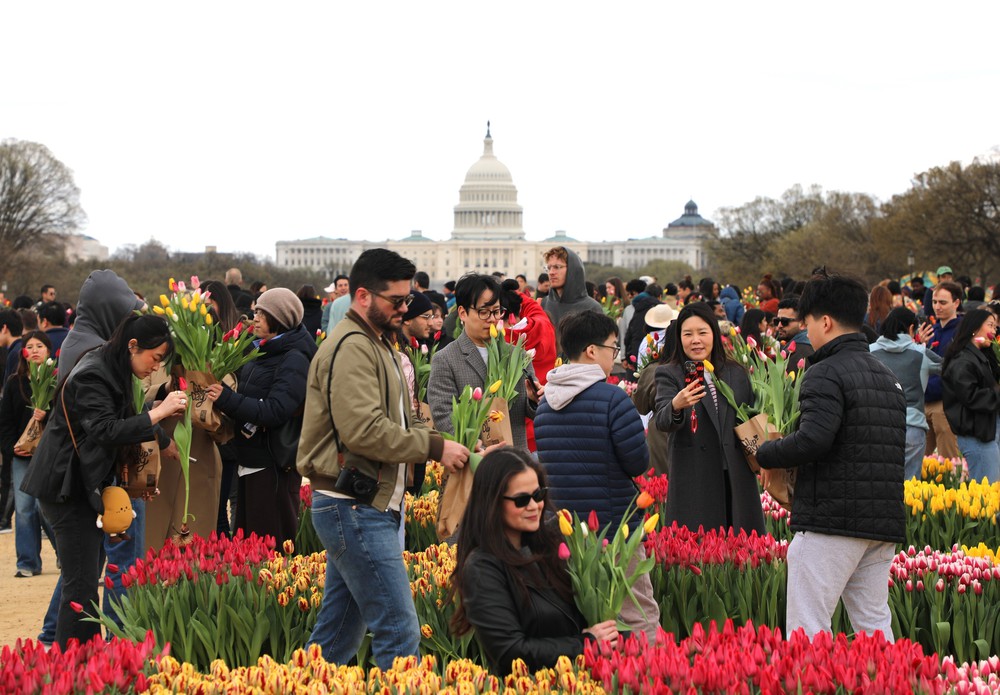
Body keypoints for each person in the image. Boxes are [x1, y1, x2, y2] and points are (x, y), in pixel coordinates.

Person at [297, 248, 469, 670]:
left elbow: (404, 420)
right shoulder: (355, 346)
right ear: (362, 296)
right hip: (353, 505)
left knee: (336, 639)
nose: (405, 308)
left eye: (407, 299)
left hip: (359, 502)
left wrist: (455, 444)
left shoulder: (379, 344)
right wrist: (434, 448)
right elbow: (364, 431)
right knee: (399, 631)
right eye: (396, 300)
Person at [756, 269, 906, 641]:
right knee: (874, 624)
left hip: (831, 521)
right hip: (881, 521)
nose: (808, 332)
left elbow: (813, 441)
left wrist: (764, 452)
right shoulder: (886, 377)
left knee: (808, 629)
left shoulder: (825, 372)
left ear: (825, 321)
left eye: (807, 323)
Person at [21, 315, 188, 647]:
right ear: (133, 346)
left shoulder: (114, 368)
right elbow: (105, 429)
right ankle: (74, 663)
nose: (155, 368)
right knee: (80, 585)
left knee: (82, 580)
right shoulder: (94, 372)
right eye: (154, 358)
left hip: (83, 485)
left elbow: (118, 427)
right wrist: (160, 411)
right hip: (64, 488)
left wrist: (138, 482)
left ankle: (83, 659)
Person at [534, 311, 658, 638]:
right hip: (616, 530)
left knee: (589, 617)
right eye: (612, 348)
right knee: (637, 612)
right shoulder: (613, 399)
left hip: (569, 534)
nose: (613, 356)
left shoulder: (546, 405)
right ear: (592, 351)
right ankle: (649, 679)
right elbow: (637, 463)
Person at [450, 448, 618, 674]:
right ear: (492, 502)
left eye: (538, 495)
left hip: (580, 679)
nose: (534, 506)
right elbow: (510, 652)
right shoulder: (482, 568)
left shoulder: (550, 544)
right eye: (521, 500)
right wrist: (585, 643)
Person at [205, 288, 316, 545]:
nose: (254, 318)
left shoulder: (295, 358)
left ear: (280, 319)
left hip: (273, 463)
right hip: (250, 457)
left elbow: (275, 410)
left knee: (269, 544)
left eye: (261, 313)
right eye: (255, 311)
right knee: (248, 543)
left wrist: (227, 399)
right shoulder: (260, 352)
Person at [654, 302, 766, 534]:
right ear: (679, 337)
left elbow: (749, 418)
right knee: (699, 549)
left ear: (714, 334)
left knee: (739, 545)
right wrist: (677, 404)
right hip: (695, 474)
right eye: (688, 334)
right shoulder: (670, 373)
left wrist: (766, 456)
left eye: (702, 332)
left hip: (734, 471)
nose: (696, 340)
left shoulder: (735, 371)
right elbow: (662, 420)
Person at [428, 274, 538, 451]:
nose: (493, 319)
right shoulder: (445, 359)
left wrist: (534, 399)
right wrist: (475, 448)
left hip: (517, 459)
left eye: (496, 311)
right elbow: (443, 417)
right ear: (463, 313)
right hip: (475, 461)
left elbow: (533, 412)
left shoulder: (517, 354)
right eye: (484, 312)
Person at [0, 330, 57, 576]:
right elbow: (5, 421)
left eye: (39, 346)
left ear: (48, 351)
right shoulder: (15, 382)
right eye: (30, 347)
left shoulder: (57, 381)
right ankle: (27, 562)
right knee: (23, 509)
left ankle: (64, 553)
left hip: (49, 455)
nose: (34, 350)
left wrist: (48, 415)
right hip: (21, 455)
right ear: (23, 353)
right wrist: (10, 447)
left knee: (46, 509)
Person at [870, 308, 942, 481]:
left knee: (881, 483)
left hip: (877, 426)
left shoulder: (869, 352)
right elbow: (951, 368)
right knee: (910, 487)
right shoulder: (920, 353)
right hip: (912, 425)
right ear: (911, 329)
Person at [941, 309, 1000, 483]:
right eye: (990, 325)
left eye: (996, 326)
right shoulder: (963, 360)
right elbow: (971, 397)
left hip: (985, 431)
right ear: (974, 328)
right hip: (977, 435)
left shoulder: (980, 357)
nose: (994, 330)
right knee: (985, 494)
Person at [924, 281, 964, 459]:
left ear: (956, 303)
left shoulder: (962, 331)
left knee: (949, 461)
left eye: (942, 302)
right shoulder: (931, 330)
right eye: (934, 302)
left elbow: (957, 370)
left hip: (945, 402)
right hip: (924, 401)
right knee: (920, 460)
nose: (937, 307)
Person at [539, 247, 602, 351]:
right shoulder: (544, 303)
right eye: (549, 268)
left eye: (557, 267)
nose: (551, 272)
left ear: (573, 270)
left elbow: (597, 350)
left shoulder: (592, 308)